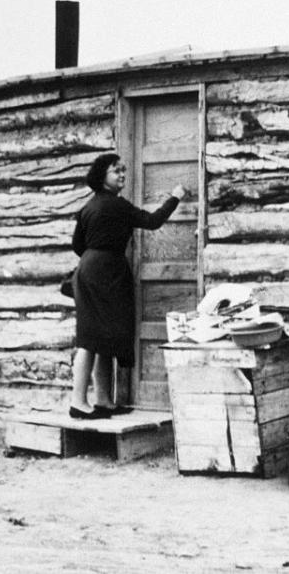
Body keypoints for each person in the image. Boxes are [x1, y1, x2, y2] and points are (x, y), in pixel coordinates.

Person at [69, 152, 187, 419]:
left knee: (103, 336)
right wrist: (175, 196)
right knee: (89, 338)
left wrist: (94, 259)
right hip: (104, 275)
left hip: (92, 271)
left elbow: (77, 246)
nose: (122, 174)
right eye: (116, 171)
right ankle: (78, 402)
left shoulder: (88, 207)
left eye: (123, 170)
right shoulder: (116, 206)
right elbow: (152, 221)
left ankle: (102, 400)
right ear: (102, 177)